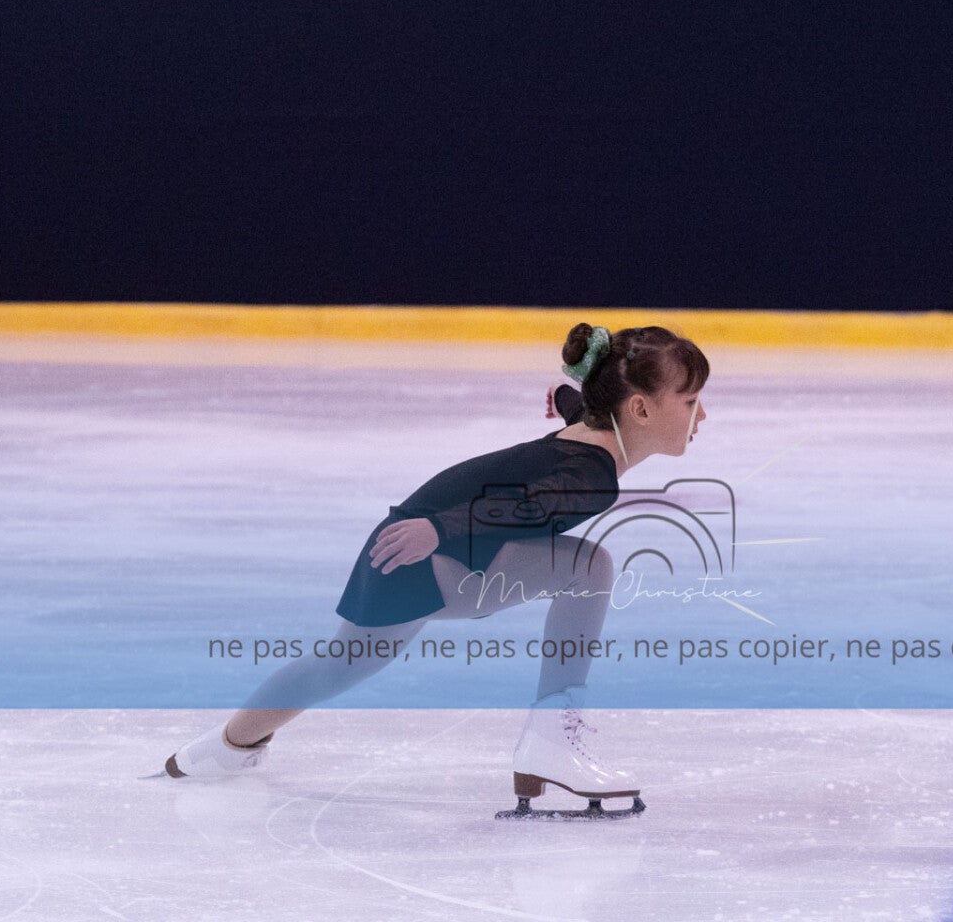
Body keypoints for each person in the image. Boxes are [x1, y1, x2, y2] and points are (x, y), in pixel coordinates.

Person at [160, 323, 709, 819]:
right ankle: (552, 740)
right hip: (430, 550)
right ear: (640, 410)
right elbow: (517, 506)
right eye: (689, 401)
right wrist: (439, 530)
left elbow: (572, 431)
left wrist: (568, 399)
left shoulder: (591, 438)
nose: (701, 416)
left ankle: (220, 749)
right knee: (589, 566)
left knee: (341, 663)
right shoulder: (592, 476)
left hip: (418, 547)